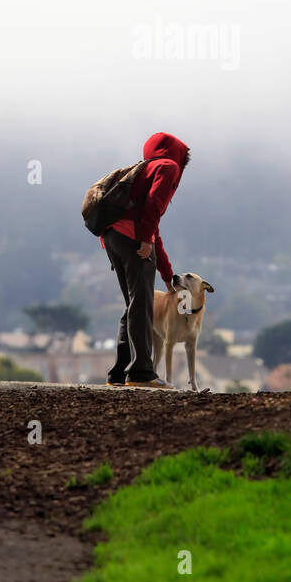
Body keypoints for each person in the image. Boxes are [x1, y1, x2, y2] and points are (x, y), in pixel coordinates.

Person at [102, 132, 190, 389]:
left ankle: (119, 374)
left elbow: (154, 229)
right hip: (132, 239)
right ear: (178, 155)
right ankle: (141, 373)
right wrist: (144, 240)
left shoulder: (145, 169)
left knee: (133, 304)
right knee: (141, 306)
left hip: (112, 238)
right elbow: (152, 208)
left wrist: (167, 274)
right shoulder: (169, 167)